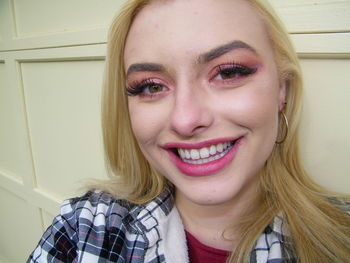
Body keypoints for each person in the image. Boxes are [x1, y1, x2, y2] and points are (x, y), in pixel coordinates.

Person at [28, 0, 350, 262]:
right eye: (151, 86)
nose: (185, 120)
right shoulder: (84, 230)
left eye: (228, 72)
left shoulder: (340, 240)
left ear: (282, 88)